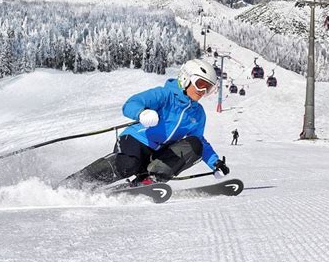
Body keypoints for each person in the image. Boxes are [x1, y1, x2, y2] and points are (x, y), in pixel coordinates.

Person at [61, 58, 230, 188]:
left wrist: (215, 162)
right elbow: (130, 104)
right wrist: (142, 113)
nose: (203, 92)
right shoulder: (164, 95)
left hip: (160, 153)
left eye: (208, 89)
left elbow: (198, 140)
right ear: (185, 79)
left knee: (194, 145)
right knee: (129, 166)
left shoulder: (197, 113)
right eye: (200, 85)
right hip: (136, 140)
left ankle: (149, 181)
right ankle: (78, 182)